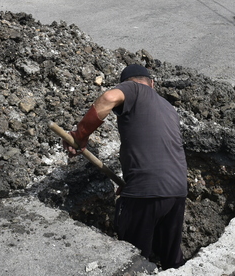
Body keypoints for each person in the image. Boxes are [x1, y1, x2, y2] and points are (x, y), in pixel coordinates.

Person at [64, 64, 188, 269]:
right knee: (172, 259)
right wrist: (133, 183)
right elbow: (154, 147)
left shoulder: (135, 89)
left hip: (146, 191)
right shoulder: (167, 107)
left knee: (132, 260)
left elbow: (108, 98)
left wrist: (80, 135)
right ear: (153, 84)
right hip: (177, 192)